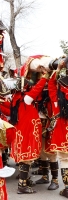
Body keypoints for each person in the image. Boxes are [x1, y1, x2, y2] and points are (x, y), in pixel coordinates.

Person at [10, 70, 51, 194]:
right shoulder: (25, 99)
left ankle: (25, 181)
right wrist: (45, 77)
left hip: (23, 133)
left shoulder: (17, 99)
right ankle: (22, 186)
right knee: (27, 158)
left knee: (25, 158)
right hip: (26, 133)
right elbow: (36, 89)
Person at [47, 58, 68, 198]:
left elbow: (50, 85)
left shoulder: (58, 93)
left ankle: (67, 188)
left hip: (62, 128)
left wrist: (57, 70)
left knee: (65, 159)